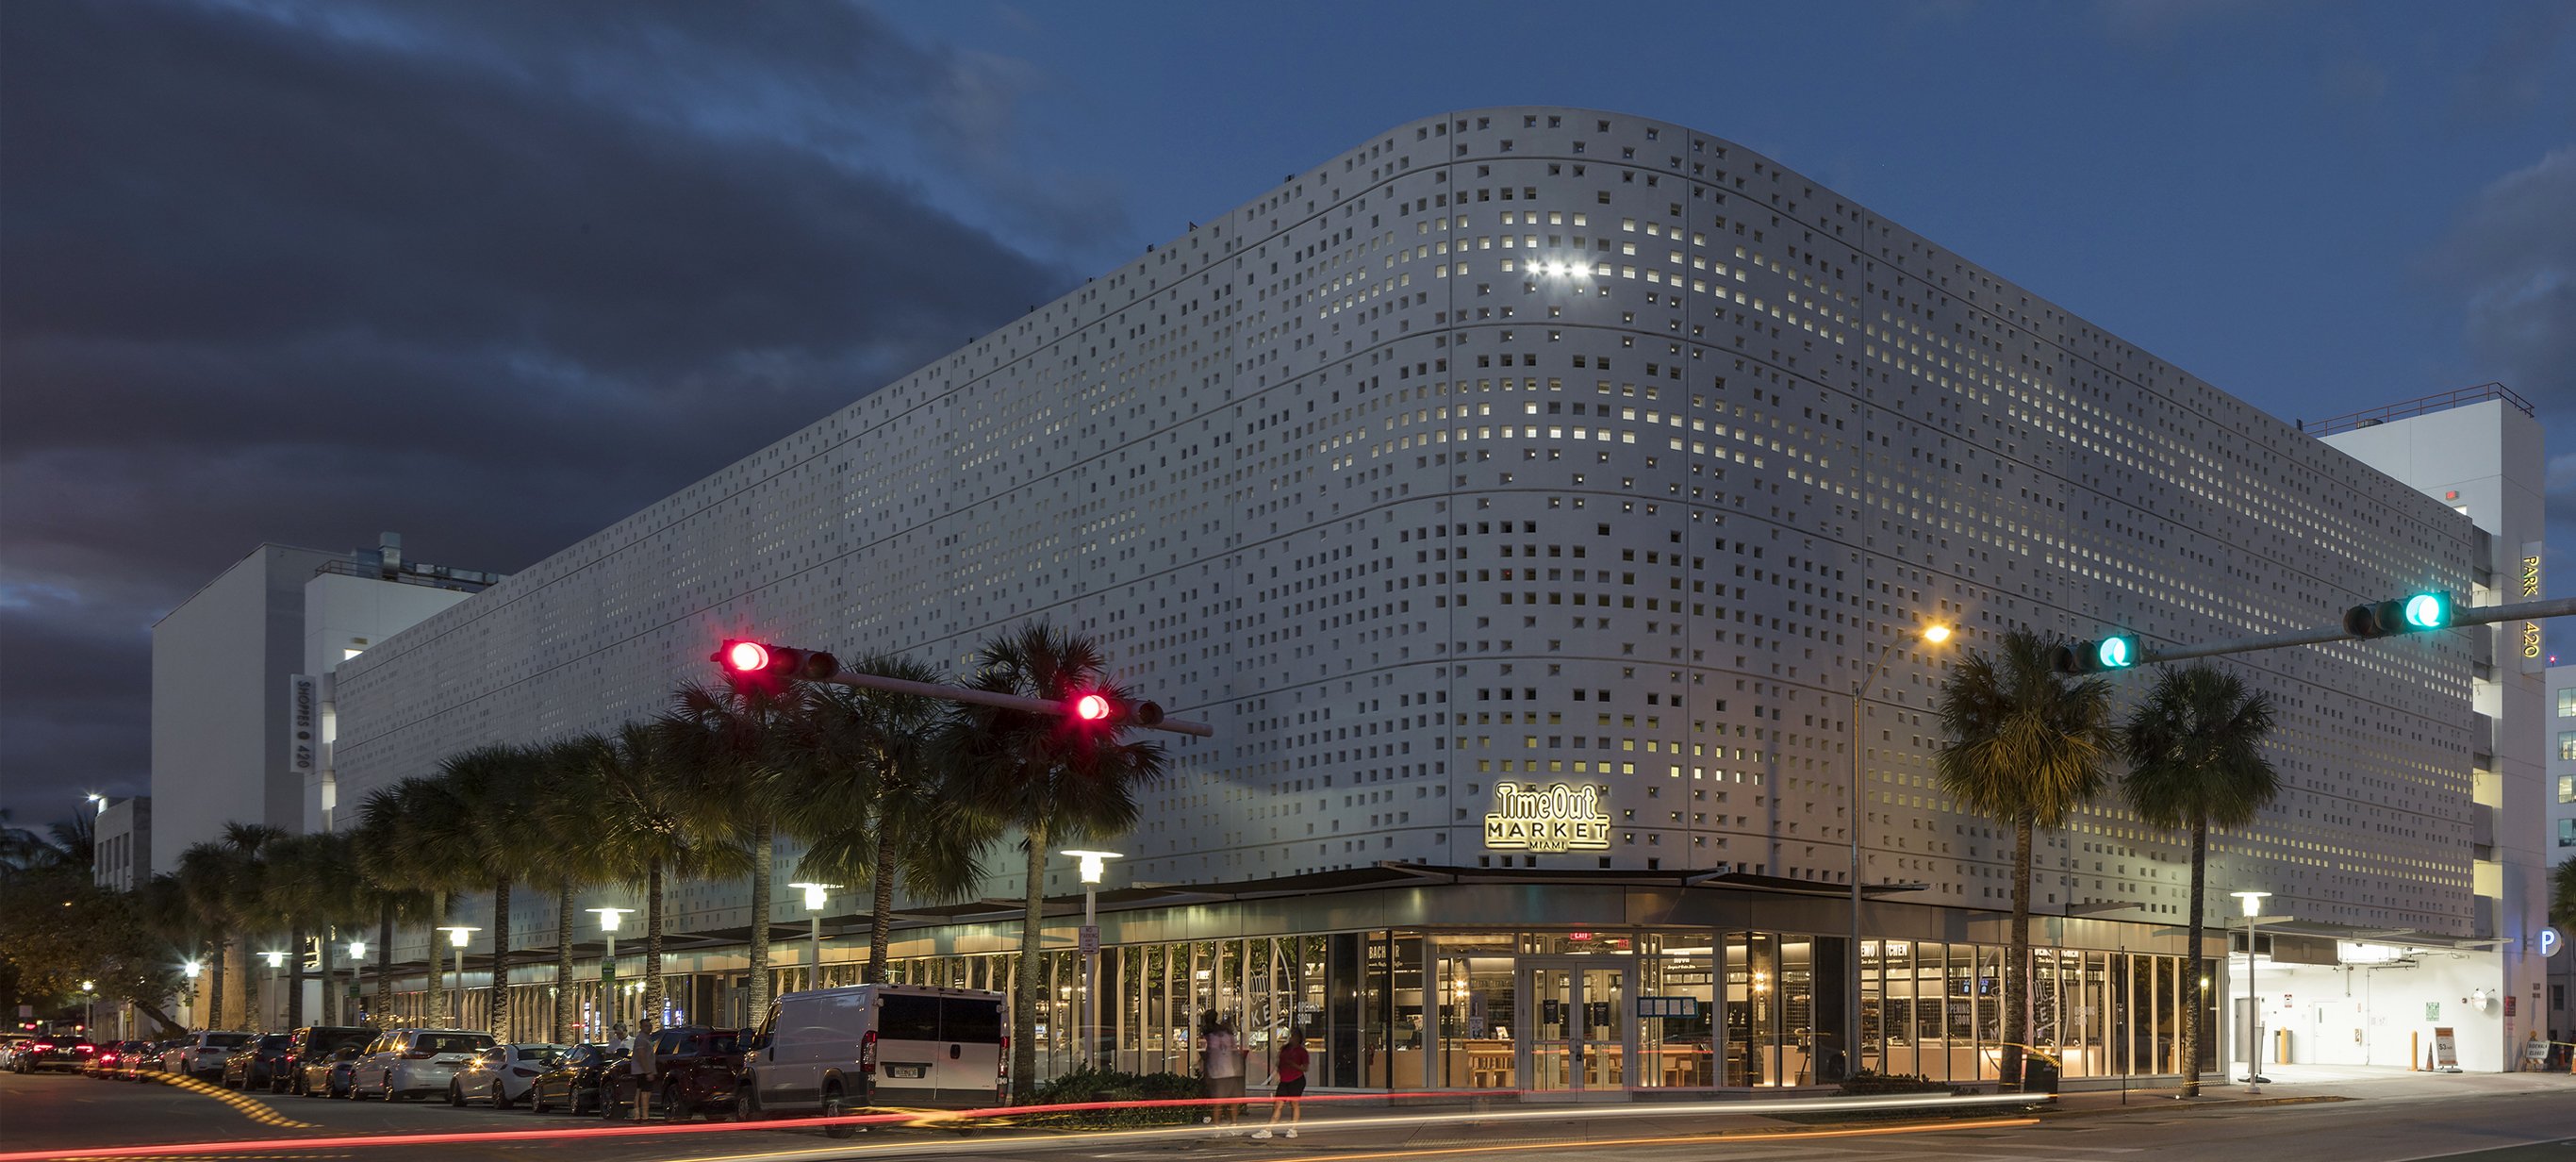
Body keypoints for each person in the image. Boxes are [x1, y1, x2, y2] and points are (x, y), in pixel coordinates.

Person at [1251, 1025, 1307, 1139]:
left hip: (1296, 1079)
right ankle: (1268, 1130)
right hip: (1284, 1079)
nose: (1292, 1038)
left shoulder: (1301, 1051)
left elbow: (1305, 1068)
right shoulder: (1285, 1048)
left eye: (1294, 1036)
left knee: (1294, 1104)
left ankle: (1293, 1129)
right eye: (1291, 1036)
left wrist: (1294, 1065)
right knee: (1277, 1105)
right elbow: (1279, 1061)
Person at [1199, 1010, 1245, 1133]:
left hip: (1220, 1072)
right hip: (1227, 1071)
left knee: (1219, 1103)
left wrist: (1207, 1071)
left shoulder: (1212, 1035)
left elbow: (1208, 1054)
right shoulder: (1223, 1035)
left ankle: (1218, 1128)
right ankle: (1230, 1126)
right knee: (1231, 1102)